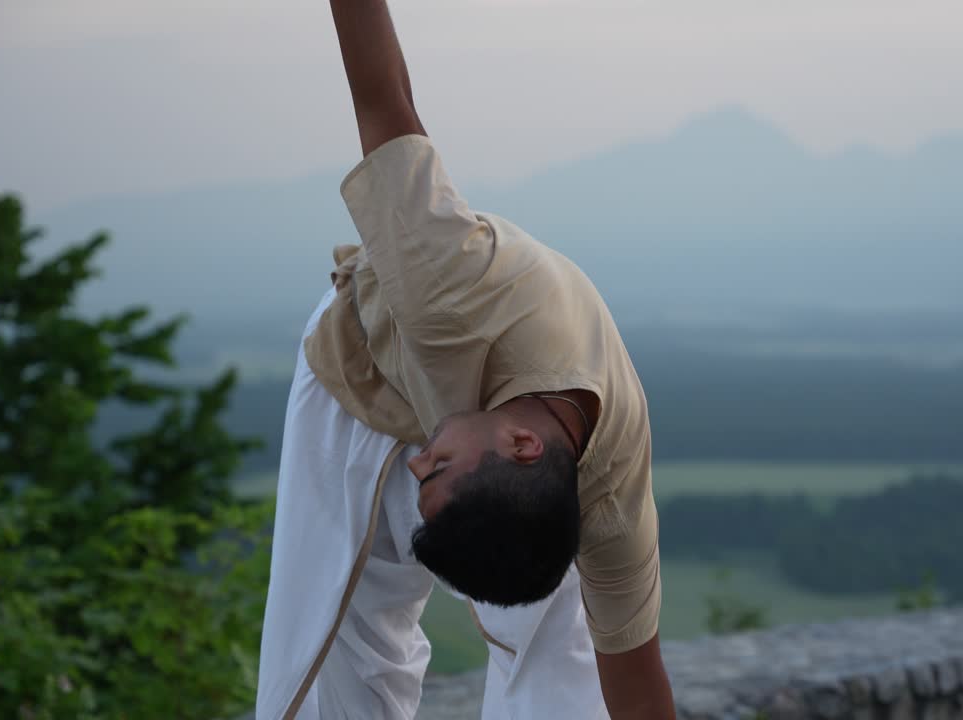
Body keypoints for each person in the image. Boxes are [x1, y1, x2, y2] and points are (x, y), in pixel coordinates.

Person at [255, 1, 676, 718]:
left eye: (427, 470)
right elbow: (385, 98)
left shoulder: (609, 501)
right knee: (340, 643)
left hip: (472, 413)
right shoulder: (449, 285)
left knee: (562, 645)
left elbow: (635, 669)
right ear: (518, 443)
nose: (420, 460)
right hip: (359, 365)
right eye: (436, 468)